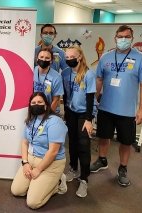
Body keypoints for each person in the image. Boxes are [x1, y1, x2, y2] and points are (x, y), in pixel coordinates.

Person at [90, 25, 142, 187]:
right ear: (115, 38)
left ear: (132, 39)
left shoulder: (141, 59)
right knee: (104, 136)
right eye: (120, 36)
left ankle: (123, 168)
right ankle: (102, 159)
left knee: (126, 141)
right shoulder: (106, 57)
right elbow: (98, 79)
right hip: (105, 107)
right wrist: (95, 101)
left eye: (127, 37)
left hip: (127, 111)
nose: (123, 39)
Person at [11, 92, 68, 209]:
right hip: (31, 160)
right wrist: (25, 163)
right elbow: (24, 143)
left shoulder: (55, 121)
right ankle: (38, 184)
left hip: (50, 163)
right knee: (16, 191)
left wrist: (38, 169)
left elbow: (53, 151)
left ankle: (58, 183)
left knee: (33, 203)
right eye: (33, 103)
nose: (36, 104)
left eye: (40, 102)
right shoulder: (31, 120)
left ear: (46, 105)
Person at [61, 45, 96, 197]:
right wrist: (66, 113)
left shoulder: (88, 74)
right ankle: (73, 168)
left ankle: (84, 179)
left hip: (84, 114)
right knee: (72, 142)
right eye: (67, 57)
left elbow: (90, 98)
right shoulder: (66, 73)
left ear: (80, 57)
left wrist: (89, 119)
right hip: (71, 112)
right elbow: (65, 95)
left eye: (72, 57)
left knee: (83, 145)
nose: (69, 60)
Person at [33, 48, 64, 113]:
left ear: (51, 61)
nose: (44, 59)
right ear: (37, 59)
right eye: (41, 57)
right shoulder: (32, 71)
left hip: (50, 110)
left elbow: (56, 100)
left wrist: (48, 115)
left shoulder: (56, 77)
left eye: (47, 58)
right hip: (35, 109)